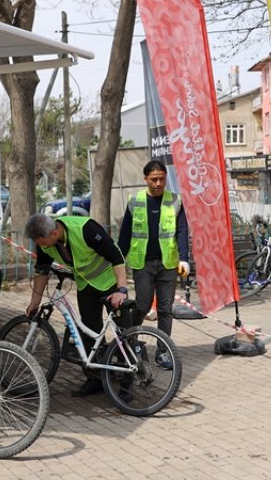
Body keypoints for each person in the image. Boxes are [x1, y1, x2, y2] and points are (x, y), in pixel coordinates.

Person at [23, 213, 130, 397]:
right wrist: (35, 302)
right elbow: (41, 269)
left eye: (40, 241)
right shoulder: (46, 242)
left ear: (54, 233)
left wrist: (121, 290)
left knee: (124, 333)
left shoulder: (86, 229)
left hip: (109, 282)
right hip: (86, 286)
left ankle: (127, 384)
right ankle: (96, 379)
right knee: (89, 332)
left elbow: (116, 256)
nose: (39, 245)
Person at [117, 160, 191, 370]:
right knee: (142, 305)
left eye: (161, 179)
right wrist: (117, 261)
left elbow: (182, 232)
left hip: (168, 264)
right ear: (145, 179)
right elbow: (125, 235)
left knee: (165, 309)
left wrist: (184, 258)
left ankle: (162, 351)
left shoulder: (175, 201)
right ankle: (132, 341)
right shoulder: (135, 201)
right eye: (154, 179)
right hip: (143, 264)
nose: (158, 183)